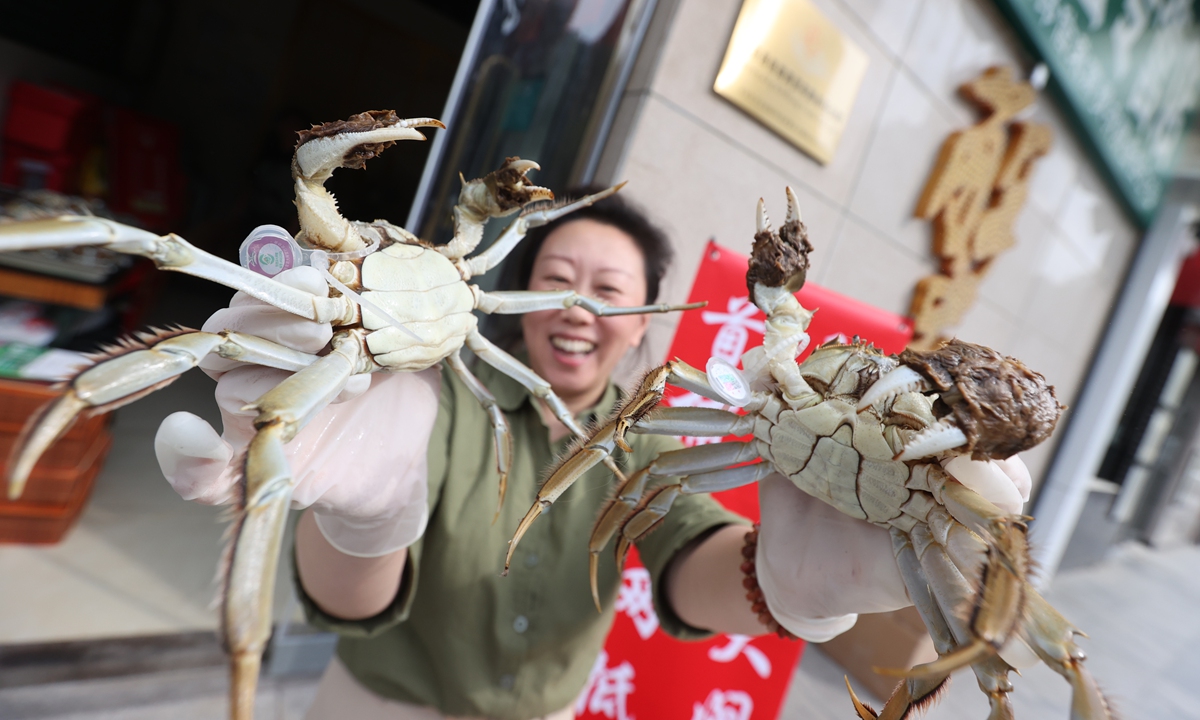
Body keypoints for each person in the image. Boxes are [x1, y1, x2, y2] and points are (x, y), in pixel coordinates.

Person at [154, 190, 1031, 720]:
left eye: (609, 291)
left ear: (651, 314)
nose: (577, 307)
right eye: (557, 280)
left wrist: (789, 583)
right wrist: (364, 518)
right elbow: (354, 603)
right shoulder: (418, 402)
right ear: (513, 294)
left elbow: (692, 557)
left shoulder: (649, 426)